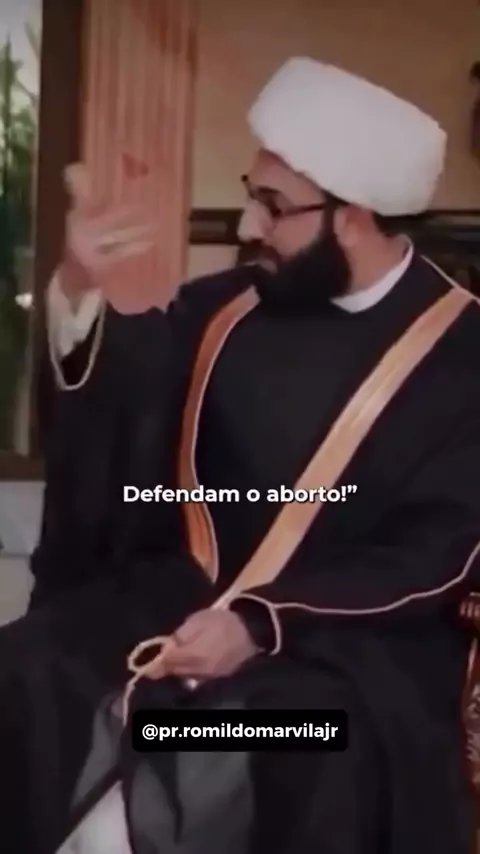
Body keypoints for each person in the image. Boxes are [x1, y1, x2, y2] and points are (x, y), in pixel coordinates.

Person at [2, 56, 480, 854]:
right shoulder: (227, 310)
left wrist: (259, 623)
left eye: (274, 206)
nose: (249, 226)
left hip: (349, 655)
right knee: (27, 667)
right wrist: (80, 287)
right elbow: (130, 393)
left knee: (279, 743)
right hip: (182, 596)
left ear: (353, 216)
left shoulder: (465, 355)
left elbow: (437, 548)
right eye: (252, 194)